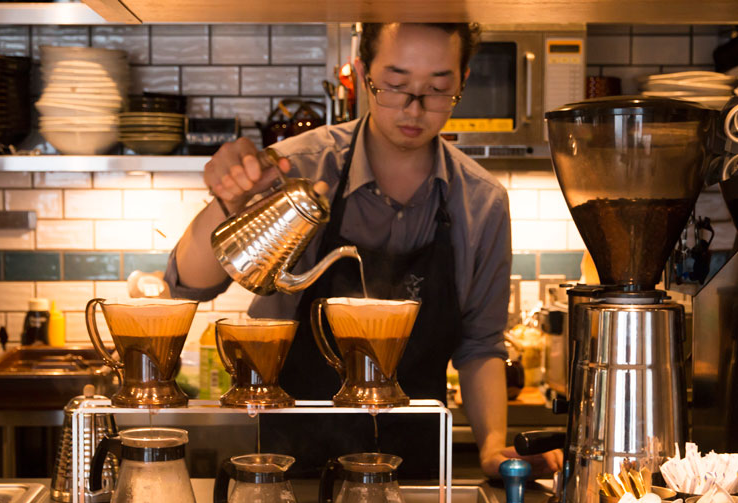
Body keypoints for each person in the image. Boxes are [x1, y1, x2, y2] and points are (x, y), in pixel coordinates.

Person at [164, 22, 561, 479]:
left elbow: (479, 346)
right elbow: (190, 284)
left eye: (437, 89)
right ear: (361, 72)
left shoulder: (481, 202)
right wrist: (228, 201)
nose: (414, 109)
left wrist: (493, 448)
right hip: (290, 466)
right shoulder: (301, 167)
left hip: (414, 475)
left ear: (463, 81)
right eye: (394, 86)